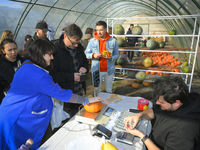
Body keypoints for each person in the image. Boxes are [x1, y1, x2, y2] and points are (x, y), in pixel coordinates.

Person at [0, 39, 101, 150]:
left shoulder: (27, 65)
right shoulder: (39, 76)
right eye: (50, 55)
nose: (52, 58)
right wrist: (86, 100)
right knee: (15, 145)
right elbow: (62, 94)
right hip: (18, 119)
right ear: (40, 55)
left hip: (10, 111)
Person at [124, 76, 200, 150]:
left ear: (176, 103)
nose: (157, 103)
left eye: (161, 102)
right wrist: (139, 115)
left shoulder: (183, 131)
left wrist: (142, 136)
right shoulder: (185, 97)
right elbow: (155, 110)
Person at [50, 24, 89, 117]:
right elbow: (52, 75)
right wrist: (71, 77)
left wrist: (85, 68)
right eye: (73, 43)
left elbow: (85, 61)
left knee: (79, 115)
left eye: (78, 43)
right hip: (63, 94)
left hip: (78, 90)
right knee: (65, 119)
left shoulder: (79, 48)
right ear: (65, 36)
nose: (76, 45)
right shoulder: (55, 50)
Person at [85, 21, 119, 96]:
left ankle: (108, 105)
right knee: (97, 91)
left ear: (105, 29)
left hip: (109, 70)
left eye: (101, 30)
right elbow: (86, 54)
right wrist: (93, 55)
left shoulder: (113, 41)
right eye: (97, 30)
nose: (98, 32)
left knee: (109, 90)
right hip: (96, 70)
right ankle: (97, 106)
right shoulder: (92, 41)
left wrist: (111, 57)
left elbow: (117, 55)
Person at [0, 38, 26, 104]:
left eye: (15, 49)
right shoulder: (1, 65)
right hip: (8, 98)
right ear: (3, 51)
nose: (13, 52)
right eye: (9, 50)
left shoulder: (24, 61)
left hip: (25, 95)